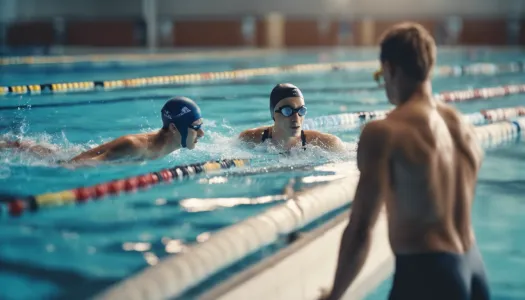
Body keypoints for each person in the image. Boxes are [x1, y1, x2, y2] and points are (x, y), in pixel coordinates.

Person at [320, 22, 489, 300]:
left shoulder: (385, 132)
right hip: (474, 270)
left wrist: (335, 294)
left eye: (381, 75)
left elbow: (361, 228)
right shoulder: (463, 127)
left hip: (427, 275)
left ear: (390, 68)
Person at [0, 96, 205, 166]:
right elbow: (76, 165)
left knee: (55, 152)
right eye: (196, 128)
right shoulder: (135, 147)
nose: (201, 134)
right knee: (56, 159)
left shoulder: (171, 141)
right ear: (173, 127)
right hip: (73, 161)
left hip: (81, 153)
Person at [238, 83, 346, 153]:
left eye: (301, 111)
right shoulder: (250, 138)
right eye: (287, 111)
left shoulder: (326, 143)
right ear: (273, 114)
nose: (296, 118)